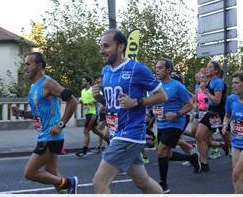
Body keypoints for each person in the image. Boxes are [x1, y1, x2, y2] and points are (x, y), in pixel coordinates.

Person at [92, 29, 167, 194]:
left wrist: (137, 101)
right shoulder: (106, 71)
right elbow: (112, 104)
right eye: (101, 46)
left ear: (120, 46)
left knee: (99, 181)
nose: (101, 51)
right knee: (142, 181)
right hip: (116, 133)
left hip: (129, 134)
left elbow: (162, 96)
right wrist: (99, 98)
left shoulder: (137, 69)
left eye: (106, 46)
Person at [11, 52, 78, 194]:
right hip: (43, 135)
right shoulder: (34, 87)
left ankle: (68, 182)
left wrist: (60, 125)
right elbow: (37, 115)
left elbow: (72, 101)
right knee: (51, 171)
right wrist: (21, 113)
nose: (25, 68)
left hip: (51, 136)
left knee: (30, 172)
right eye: (25, 64)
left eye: (28, 64)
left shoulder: (48, 83)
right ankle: (67, 192)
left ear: (39, 65)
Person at [153, 59, 201, 193]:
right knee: (166, 155)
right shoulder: (155, 86)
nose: (157, 70)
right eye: (156, 67)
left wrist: (176, 114)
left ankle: (163, 184)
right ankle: (192, 158)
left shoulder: (177, 86)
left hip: (175, 123)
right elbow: (155, 103)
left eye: (160, 68)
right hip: (161, 123)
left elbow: (190, 104)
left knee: (161, 151)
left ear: (168, 70)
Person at [195, 61, 229, 172]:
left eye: (210, 67)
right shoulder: (209, 82)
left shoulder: (218, 82)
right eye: (207, 67)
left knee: (225, 136)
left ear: (216, 71)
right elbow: (209, 101)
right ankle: (204, 163)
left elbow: (217, 101)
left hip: (219, 114)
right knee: (199, 136)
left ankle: (231, 147)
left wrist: (206, 91)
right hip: (211, 112)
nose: (207, 69)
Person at [76, 76, 109, 157]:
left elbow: (100, 98)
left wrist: (93, 101)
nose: (82, 82)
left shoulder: (92, 89)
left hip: (93, 113)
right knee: (95, 131)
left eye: (84, 81)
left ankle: (84, 150)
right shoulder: (82, 91)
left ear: (88, 82)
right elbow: (83, 100)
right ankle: (110, 141)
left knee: (85, 131)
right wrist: (81, 101)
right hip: (87, 113)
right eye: (82, 81)